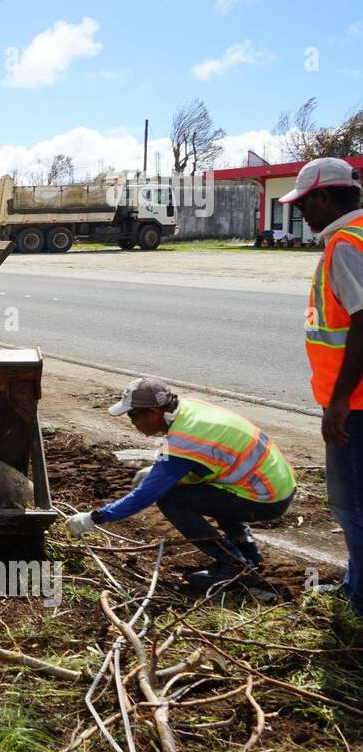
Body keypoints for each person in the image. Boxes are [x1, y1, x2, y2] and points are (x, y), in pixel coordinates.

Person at [64, 378, 296, 593]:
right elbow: (204, 461)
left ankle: (234, 566)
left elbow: (144, 496)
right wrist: (158, 472)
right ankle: (247, 552)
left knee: (171, 500)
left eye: (133, 417)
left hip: (264, 498)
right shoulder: (189, 408)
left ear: (154, 412)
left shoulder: (184, 441)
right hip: (274, 483)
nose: (133, 423)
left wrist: (94, 517)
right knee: (209, 492)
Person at [285, 157, 363, 614]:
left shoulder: (346, 246)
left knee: (350, 505)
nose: (302, 214)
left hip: (354, 405)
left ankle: (359, 598)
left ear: (323, 195)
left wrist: (337, 404)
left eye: (304, 204)